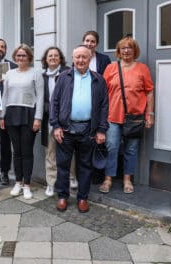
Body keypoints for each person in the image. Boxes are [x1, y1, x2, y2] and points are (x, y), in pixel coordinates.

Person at [50, 45, 109, 213]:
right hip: (66, 130)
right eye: (78, 57)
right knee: (63, 165)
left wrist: (101, 130)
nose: (81, 60)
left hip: (88, 130)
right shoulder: (63, 77)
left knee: (85, 166)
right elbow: (55, 103)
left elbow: (104, 106)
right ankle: (62, 196)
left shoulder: (98, 79)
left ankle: (82, 198)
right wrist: (56, 126)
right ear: (73, 59)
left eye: (84, 57)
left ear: (89, 59)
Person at [99, 37, 154, 194]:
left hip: (135, 117)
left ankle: (127, 179)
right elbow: (102, 93)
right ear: (118, 51)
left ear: (134, 50)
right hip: (113, 116)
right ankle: (108, 178)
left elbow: (149, 92)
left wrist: (149, 114)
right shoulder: (110, 68)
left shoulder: (142, 68)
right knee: (112, 148)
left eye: (129, 47)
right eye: (123, 48)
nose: (126, 50)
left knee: (131, 150)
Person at [0, 44, 44, 200]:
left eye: (23, 55)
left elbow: (40, 97)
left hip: (28, 114)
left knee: (27, 151)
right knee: (16, 151)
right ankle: (17, 182)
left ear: (29, 57)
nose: (20, 58)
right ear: (14, 57)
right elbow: (5, 96)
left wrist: (38, 118)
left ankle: (27, 184)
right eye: (18, 55)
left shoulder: (36, 73)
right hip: (12, 114)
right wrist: (2, 116)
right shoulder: (9, 74)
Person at [40, 46, 70, 197]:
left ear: (60, 58)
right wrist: (49, 108)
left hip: (65, 120)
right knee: (50, 153)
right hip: (48, 120)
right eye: (50, 55)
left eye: (55, 55)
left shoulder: (67, 72)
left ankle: (71, 179)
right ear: (46, 59)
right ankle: (51, 183)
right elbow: (40, 98)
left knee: (68, 152)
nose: (52, 57)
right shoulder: (42, 76)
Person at [83, 30, 112, 185]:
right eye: (87, 40)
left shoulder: (104, 59)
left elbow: (107, 82)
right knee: (85, 140)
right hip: (83, 102)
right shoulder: (79, 57)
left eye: (92, 41)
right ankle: (85, 173)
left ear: (97, 44)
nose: (89, 44)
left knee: (98, 139)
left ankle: (98, 175)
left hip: (98, 101)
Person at [0, 38, 18, 185]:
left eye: (2, 46)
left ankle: (5, 172)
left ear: (6, 49)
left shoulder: (13, 67)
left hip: (8, 112)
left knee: (5, 143)